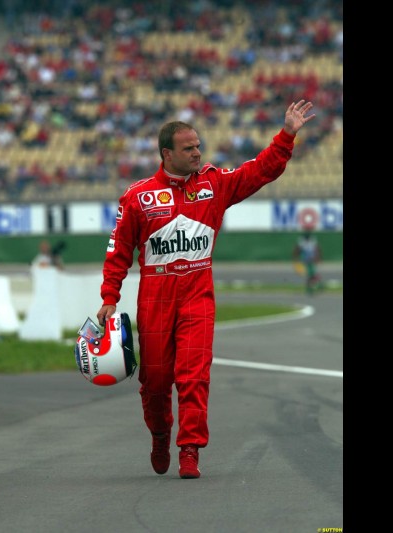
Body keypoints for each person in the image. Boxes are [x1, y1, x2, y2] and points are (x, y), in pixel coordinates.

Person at [96, 99, 315, 479]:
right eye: (188, 148)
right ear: (167, 153)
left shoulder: (215, 183)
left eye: (198, 145)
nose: (197, 152)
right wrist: (109, 298)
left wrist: (287, 135)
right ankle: (161, 434)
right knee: (156, 381)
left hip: (199, 296)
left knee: (194, 375)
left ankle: (190, 449)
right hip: (155, 299)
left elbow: (260, 171)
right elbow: (118, 252)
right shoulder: (139, 196)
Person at [293, 229, 323, 295]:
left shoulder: (312, 241)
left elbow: (317, 249)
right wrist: (296, 258)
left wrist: (318, 257)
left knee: (311, 275)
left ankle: (312, 287)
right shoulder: (302, 242)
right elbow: (297, 249)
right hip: (306, 260)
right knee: (310, 275)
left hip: (311, 259)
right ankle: (311, 287)